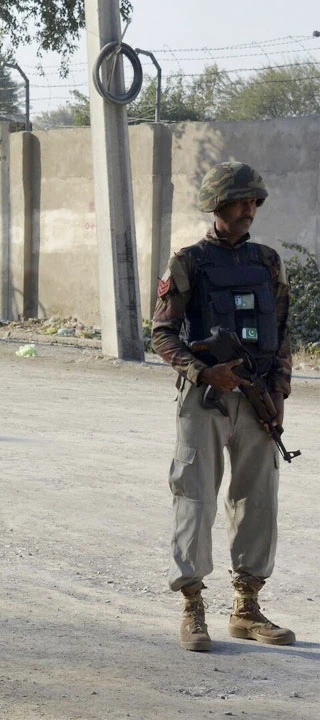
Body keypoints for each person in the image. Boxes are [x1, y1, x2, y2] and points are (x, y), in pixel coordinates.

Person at [152, 161, 294, 652]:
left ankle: (246, 608)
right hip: (206, 398)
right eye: (241, 200)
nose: (249, 208)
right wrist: (203, 371)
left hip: (257, 397)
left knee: (258, 498)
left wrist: (278, 395)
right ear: (218, 204)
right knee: (194, 496)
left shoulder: (268, 262)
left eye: (255, 200)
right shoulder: (188, 262)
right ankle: (192, 606)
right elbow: (162, 334)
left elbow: (282, 335)